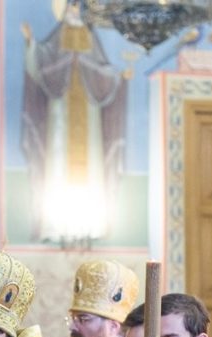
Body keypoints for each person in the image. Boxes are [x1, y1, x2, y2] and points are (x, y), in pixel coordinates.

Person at [21, 0, 128, 242]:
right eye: (72, 5)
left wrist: (119, 77)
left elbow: (103, 70)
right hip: (61, 109)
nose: (75, 11)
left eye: (80, 6)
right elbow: (42, 63)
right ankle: (56, 226)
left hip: (89, 111)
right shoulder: (59, 36)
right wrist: (31, 43)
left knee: (92, 164)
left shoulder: (90, 36)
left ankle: (91, 226)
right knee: (57, 162)